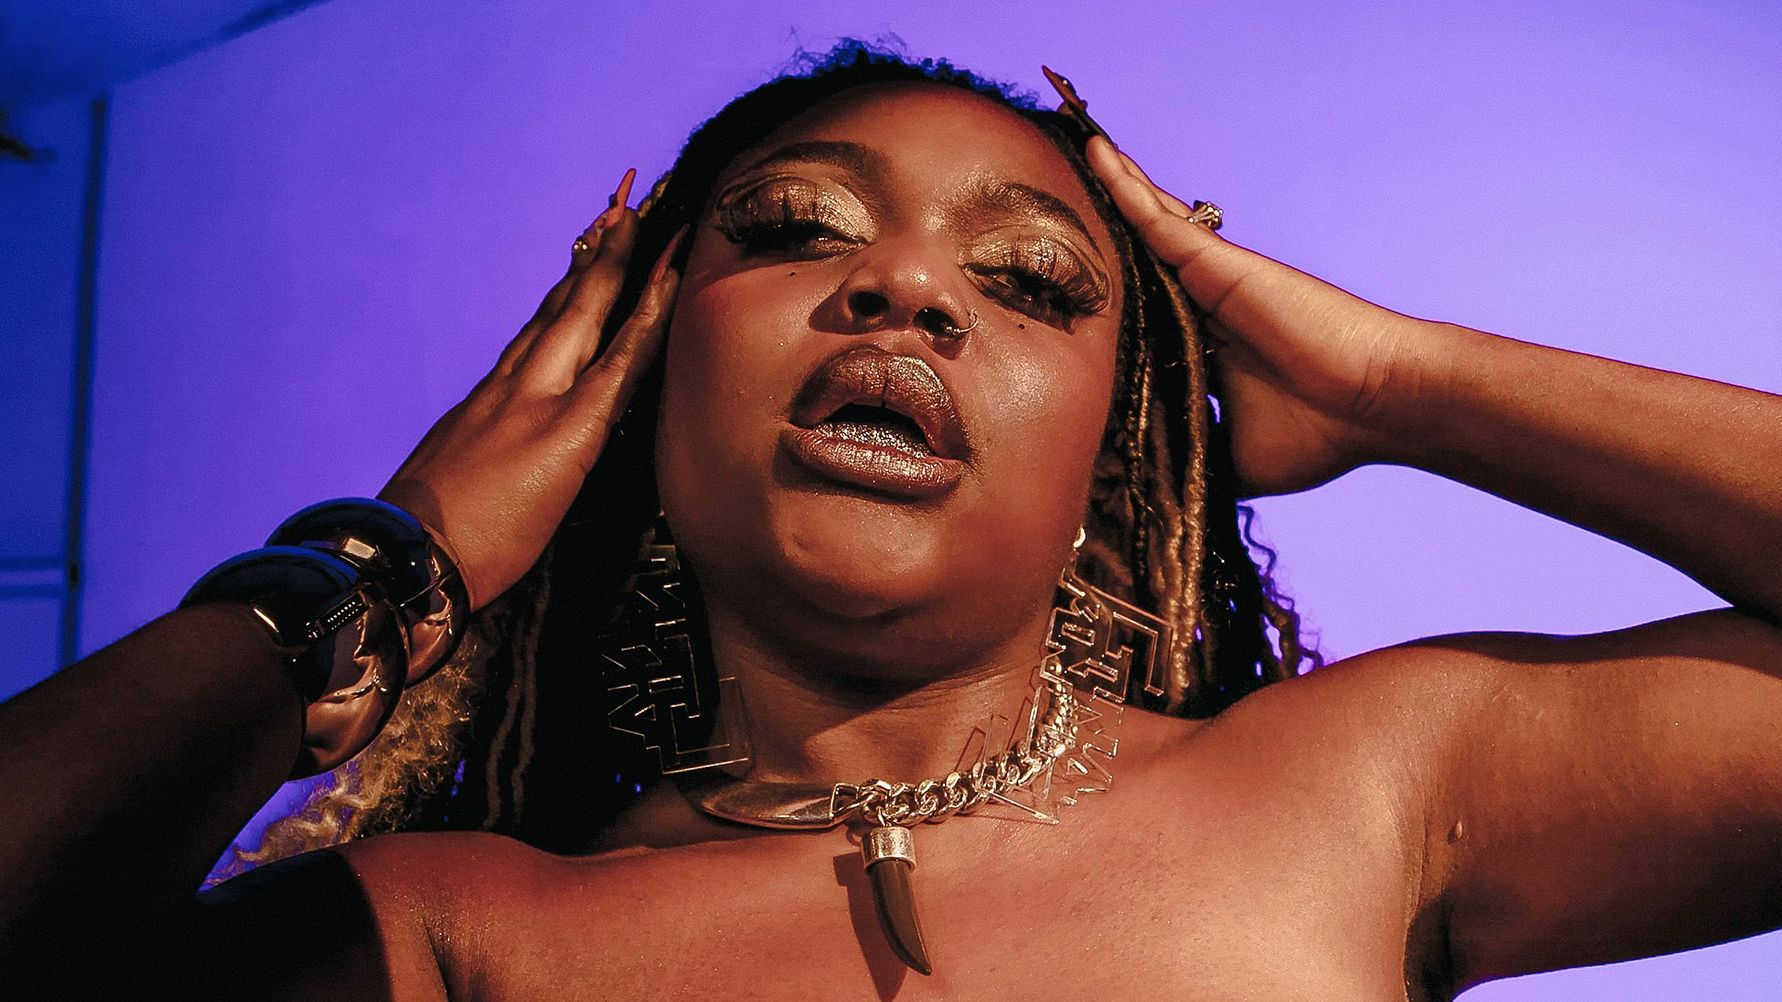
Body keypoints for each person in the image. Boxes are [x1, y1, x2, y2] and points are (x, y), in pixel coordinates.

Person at [3, 41, 1779, 1000]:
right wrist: (391, 562)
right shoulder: (454, 934)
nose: (907, 291)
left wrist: (1391, 381)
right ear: (637, 393)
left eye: (1028, 280)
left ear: (1114, 462)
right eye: (796, 232)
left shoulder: (1368, 789)